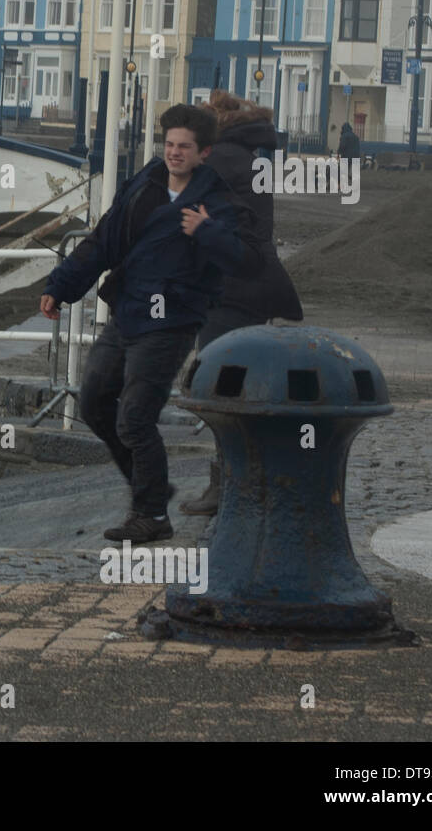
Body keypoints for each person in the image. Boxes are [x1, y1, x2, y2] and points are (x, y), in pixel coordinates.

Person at [40, 104, 263, 544]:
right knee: (93, 403)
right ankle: (155, 489)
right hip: (128, 311)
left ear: (204, 153)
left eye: (184, 147)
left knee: (135, 418)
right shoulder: (145, 183)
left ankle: (151, 515)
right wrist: (61, 286)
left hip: (171, 322)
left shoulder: (218, 202)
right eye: (170, 145)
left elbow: (244, 261)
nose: (174, 153)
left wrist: (206, 231)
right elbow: (103, 240)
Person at [178, 91, 304, 515]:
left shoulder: (218, 163)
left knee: (218, 388)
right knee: (236, 385)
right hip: (252, 288)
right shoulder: (252, 158)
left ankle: (227, 486)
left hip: (228, 289)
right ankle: (246, 480)